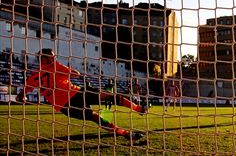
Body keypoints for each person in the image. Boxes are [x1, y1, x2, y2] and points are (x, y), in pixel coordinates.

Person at [15, 49, 146, 141]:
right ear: (45, 58)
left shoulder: (33, 77)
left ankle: (125, 133)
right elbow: (75, 74)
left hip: (64, 106)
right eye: (51, 56)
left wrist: (22, 97)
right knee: (108, 97)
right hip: (75, 93)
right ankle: (138, 109)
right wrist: (66, 70)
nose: (53, 58)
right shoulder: (55, 66)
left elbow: (22, 94)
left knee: (96, 118)